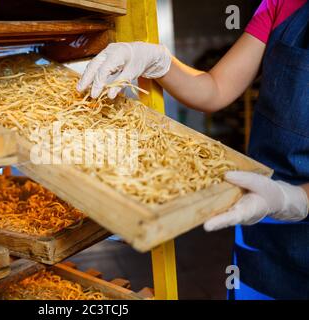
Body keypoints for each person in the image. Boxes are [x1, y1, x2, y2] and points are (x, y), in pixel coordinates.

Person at [77, 0, 309, 299]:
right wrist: (159, 61)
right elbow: (215, 89)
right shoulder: (283, 4)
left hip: (281, 201)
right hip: (262, 217)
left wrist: (295, 199)